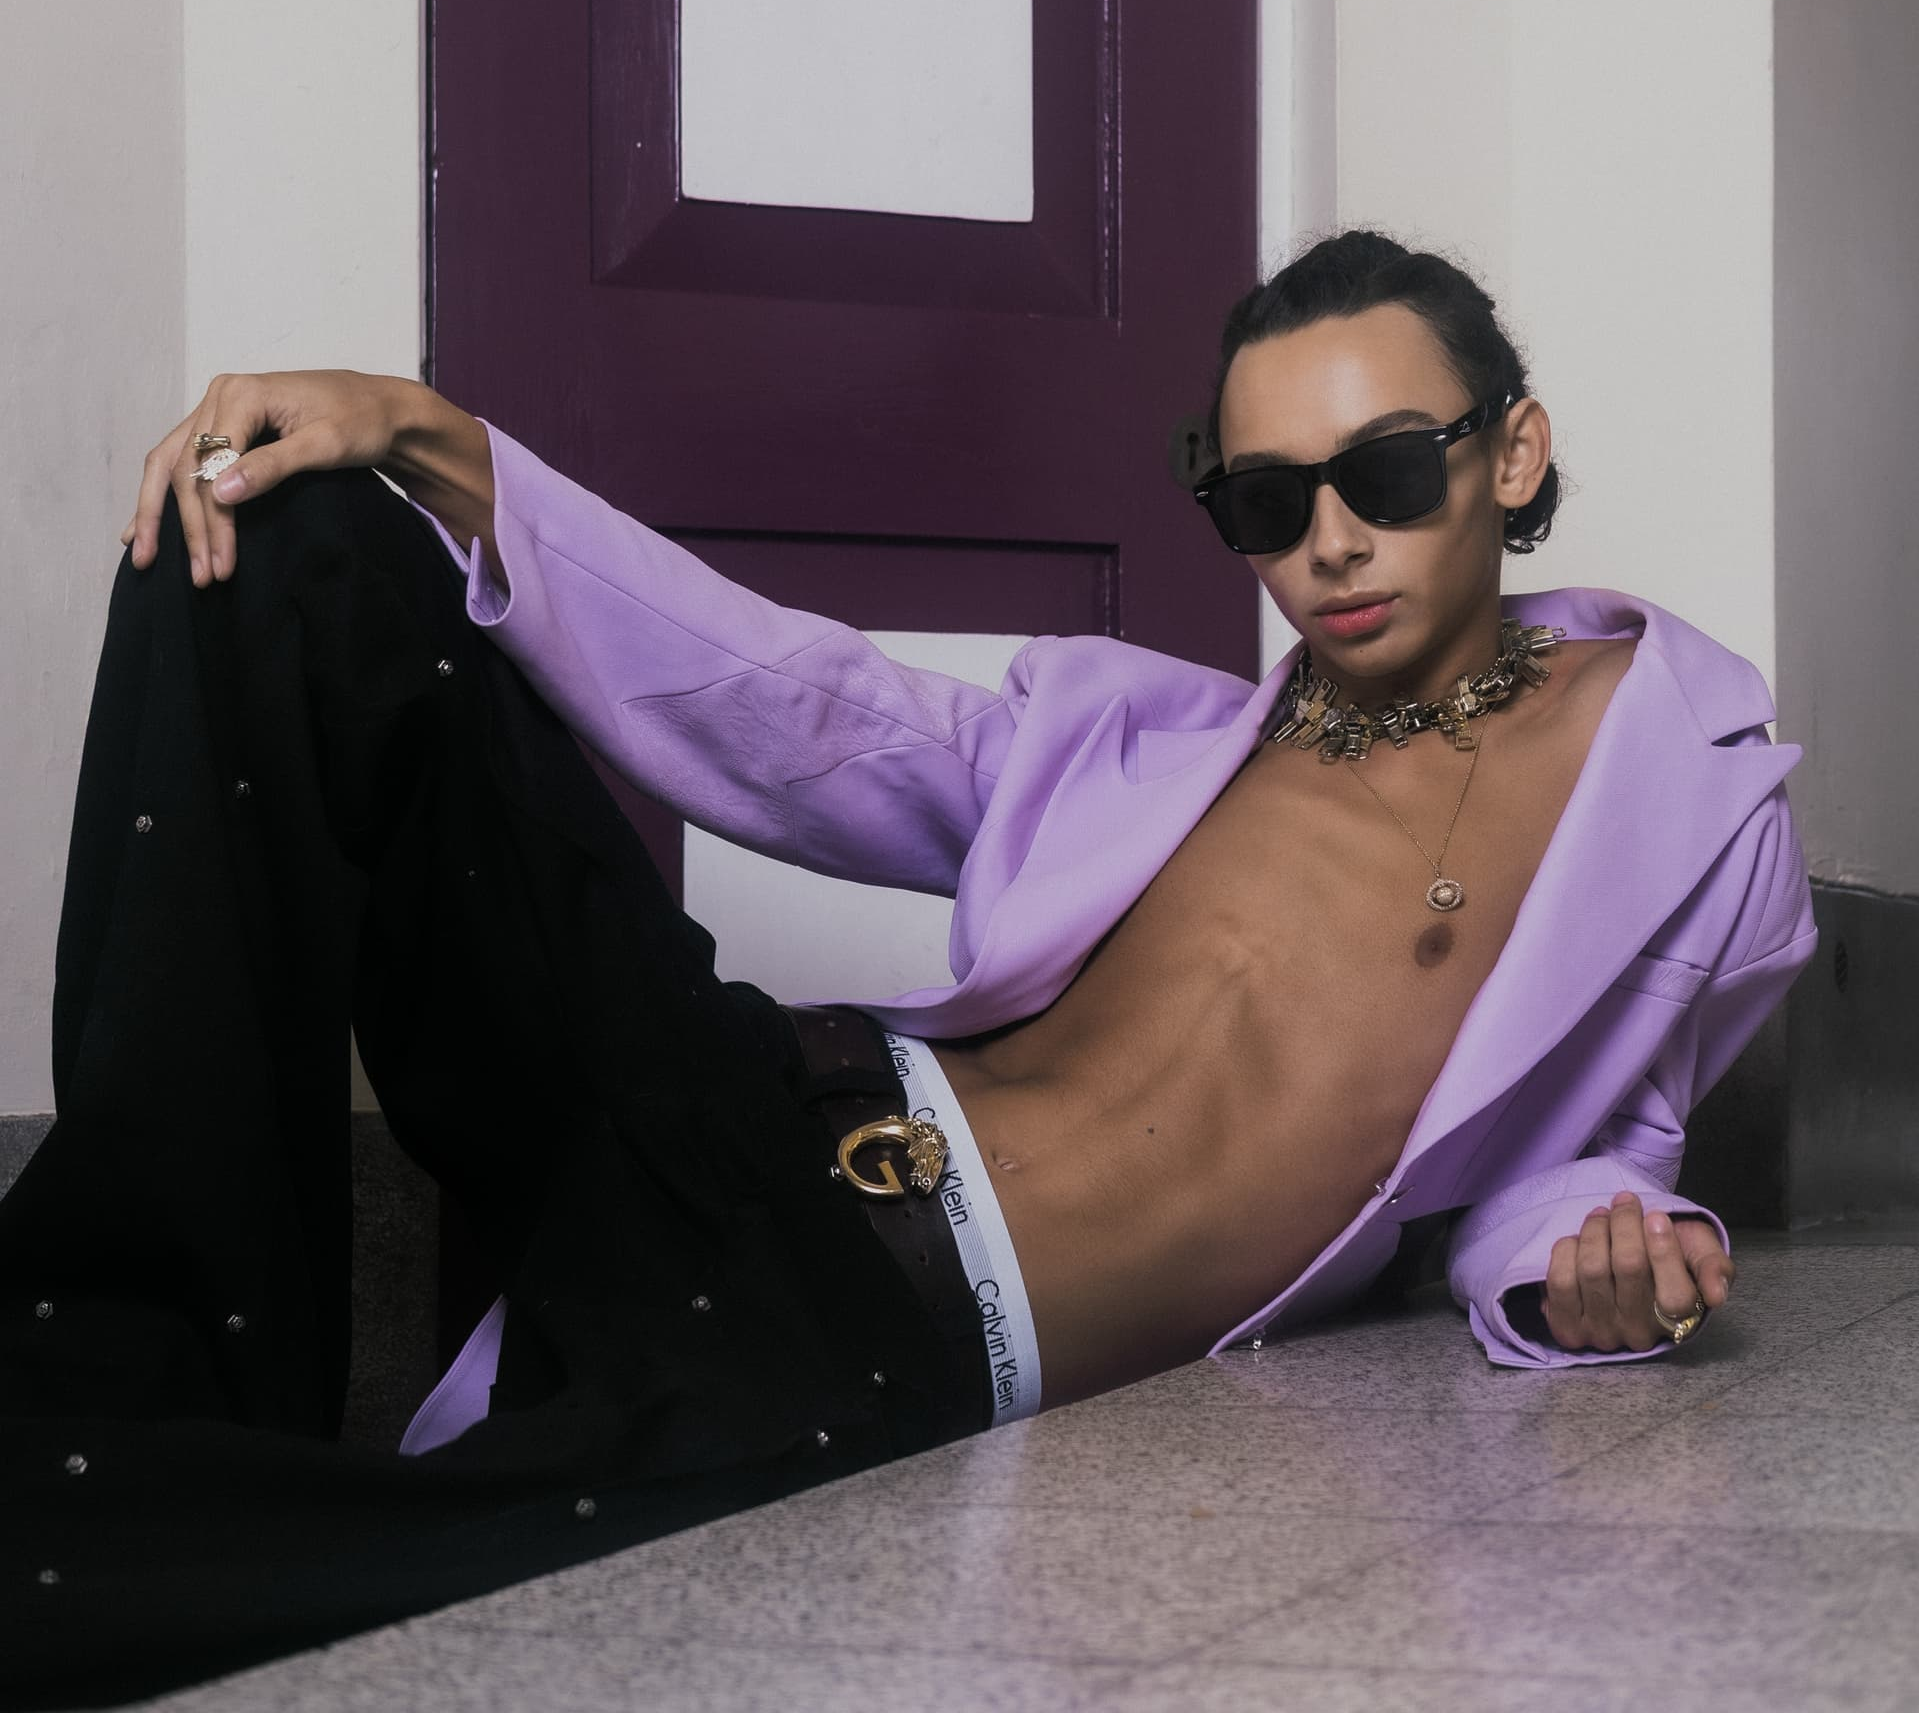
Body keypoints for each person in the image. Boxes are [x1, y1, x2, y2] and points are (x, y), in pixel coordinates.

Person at [1, 229, 1816, 1705]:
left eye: (1385, 472)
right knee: (304, 536)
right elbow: (806, 707)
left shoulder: (1697, 798)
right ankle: (120, 1357)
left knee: (219, 1590)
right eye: (1265, 504)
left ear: (1508, 453)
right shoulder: (1156, 741)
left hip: (874, 1345)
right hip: (751, 1116)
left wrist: (1593, 1270)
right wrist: (431, 435)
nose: (1327, 540)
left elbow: (1596, 1145)